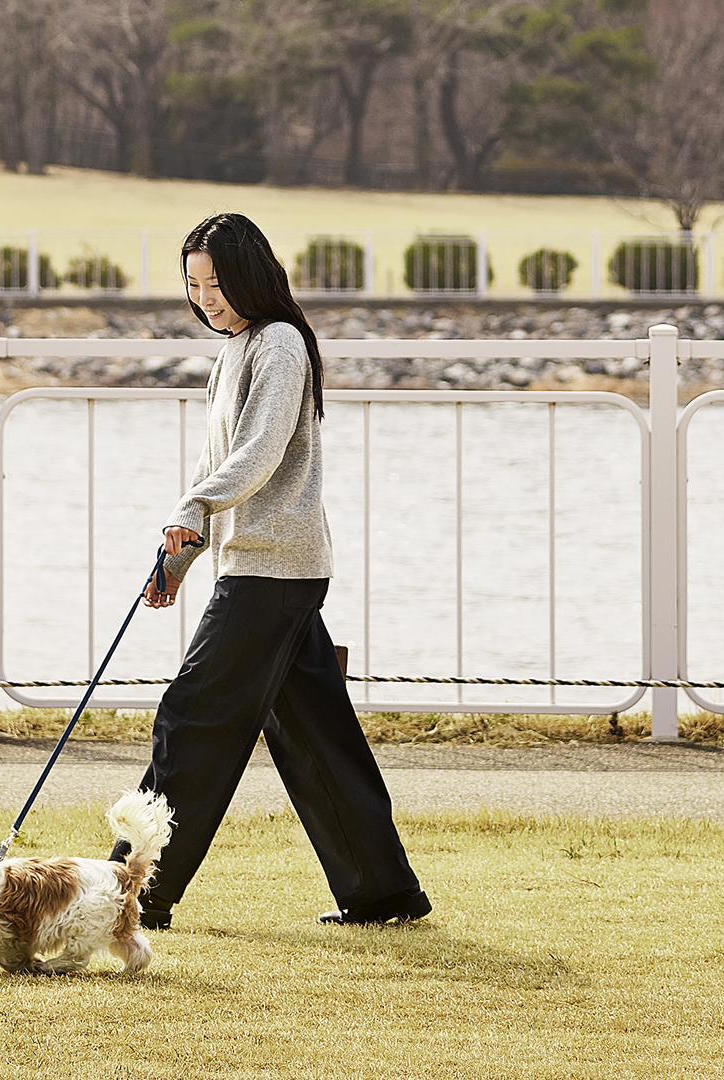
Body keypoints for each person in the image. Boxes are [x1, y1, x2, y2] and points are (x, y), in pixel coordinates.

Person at [109, 212, 429, 930]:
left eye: (216, 284)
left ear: (249, 276)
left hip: (273, 572)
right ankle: (383, 892)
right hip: (266, 568)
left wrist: (195, 506)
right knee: (317, 737)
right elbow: (216, 464)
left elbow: (257, 453)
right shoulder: (237, 349)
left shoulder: (279, 344)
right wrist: (182, 556)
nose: (205, 300)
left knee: (192, 717)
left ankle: (130, 894)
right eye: (194, 285)